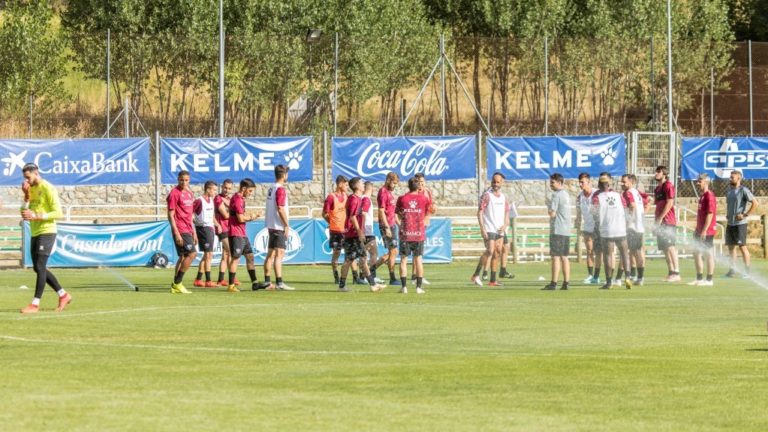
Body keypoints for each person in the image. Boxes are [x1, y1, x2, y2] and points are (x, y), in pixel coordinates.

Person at [19, 163, 71, 313]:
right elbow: (23, 211)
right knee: (37, 267)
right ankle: (63, 295)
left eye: (28, 177)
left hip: (47, 231)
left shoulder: (48, 188)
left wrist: (37, 215)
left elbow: (58, 213)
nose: (26, 181)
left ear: (36, 173)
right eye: (25, 178)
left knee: (40, 266)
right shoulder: (30, 189)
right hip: (35, 232)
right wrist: (26, 196)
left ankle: (35, 304)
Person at [338, 177, 386, 292]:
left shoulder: (357, 198)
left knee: (357, 259)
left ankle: (370, 284)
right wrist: (360, 231)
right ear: (356, 186)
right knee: (356, 260)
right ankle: (371, 284)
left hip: (353, 234)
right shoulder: (354, 199)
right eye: (360, 183)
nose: (363, 184)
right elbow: (352, 217)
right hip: (353, 234)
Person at [471, 173, 509, 287]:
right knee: (490, 251)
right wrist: (482, 229)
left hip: (500, 229)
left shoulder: (503, 197)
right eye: (494, 181)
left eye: (498, 182)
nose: (495, 184)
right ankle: (476, 274)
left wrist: (505, 224)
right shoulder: (486, 195)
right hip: (489, 227)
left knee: (497, 252)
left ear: (502, 182)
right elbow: (480, 212)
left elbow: (507, 212)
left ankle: (493, 280)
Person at [396, 177, 433, 294]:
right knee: (418, 260)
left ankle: (404, 287)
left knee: (403, 260)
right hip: (418, 233)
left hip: (405, 233)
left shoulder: (402, 199)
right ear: (418, 187)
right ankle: (418, 287)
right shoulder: (424, 198)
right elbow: (430, 210)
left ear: (408, 186)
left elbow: (396, 214)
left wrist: (400, 224)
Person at [596, 175, 632, 290]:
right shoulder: (618, 195)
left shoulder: (597, 197)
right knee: (624, 253)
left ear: (600, 185)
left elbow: (594, 213)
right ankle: (628, 277)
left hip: (607, 230)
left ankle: (609, 282)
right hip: (620, 228)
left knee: (608, 255)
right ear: (609, 185)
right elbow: (626, 209)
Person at [261, 165, 294, 290]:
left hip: (271, 225)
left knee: (270, 254)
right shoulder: (280, 189)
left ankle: (267, 282)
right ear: (284, 175)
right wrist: (286, 225)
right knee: (279, 254)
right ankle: (279, 282)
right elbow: (280, 208)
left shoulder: (271, 188)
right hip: (278, 225)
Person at [228, 178, 261, 293]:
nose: (250, 193)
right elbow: (240, 218)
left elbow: (241, 214)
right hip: (235, 233)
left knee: (250, 256)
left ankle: (255, 283)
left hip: (242, 233)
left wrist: (251, 215)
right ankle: (231, 285)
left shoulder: (241, 199)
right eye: (250, 191)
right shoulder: (237, 199)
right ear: (244, 188)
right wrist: (252, 217)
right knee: (236, 259)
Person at [167, 170, 198, 294]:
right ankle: (177, 282)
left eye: (186, 180)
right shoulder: (174, 193)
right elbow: (170, 214)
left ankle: (175, 284)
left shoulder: (189, 193)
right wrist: (177, 232)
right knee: (192, 254)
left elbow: (190, 215)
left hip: (188, 229)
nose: (184, 182)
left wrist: (194, 232)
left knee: (184, 256)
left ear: (189, 180)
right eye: (181, 180)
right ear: (178, 179)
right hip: (180, 229)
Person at [725, 170, 758, 278]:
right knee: (731, 247)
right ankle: (732, 271)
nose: (730, 179)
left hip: (740, 224)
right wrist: (728, 214)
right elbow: (730, 205)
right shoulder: (729, 190)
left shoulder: (744, 190)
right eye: (730, 177)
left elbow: (755, 203)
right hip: (730, 224)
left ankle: (747, 272)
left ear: (738, 178)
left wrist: (745, 215)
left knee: (742, 246)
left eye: (732, 177)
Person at [543, 173, 571, 290]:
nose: (551, 184)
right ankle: (566, 282)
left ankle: (553, 283)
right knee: (564, 257)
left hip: (557, 229)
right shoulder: (566, 194)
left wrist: (548, 205)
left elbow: (552, 213)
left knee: (555, 256)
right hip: (566, 230)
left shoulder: (556, 195)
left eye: (552, 182)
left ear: (559, 183)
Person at [372, 172, 400, 285]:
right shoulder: (383, 192)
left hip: (392, 224)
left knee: (393, 251)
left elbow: (392, 212)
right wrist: (387, 226)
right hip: (387, 225)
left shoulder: (389, 193)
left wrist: (398, 224)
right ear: (388, 180)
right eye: (394, 183)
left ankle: (371, 270)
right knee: (393, 251)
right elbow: (381, 211)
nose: (395, 186)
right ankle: (392, 278)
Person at [689, 174, 717, 286]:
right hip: (699, 230)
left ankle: (709, 280)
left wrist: (704, 230)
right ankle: (699, 278)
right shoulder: (702, 196)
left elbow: (710, 214)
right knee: (696, 252)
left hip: (707, 231)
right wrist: (697, 229)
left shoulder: (709, 196)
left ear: (706, 181)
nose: (697, 183)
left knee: (708, 254)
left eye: (699, 181)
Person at [654, 165, 680, 282]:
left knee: (670, 247)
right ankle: (671, 272)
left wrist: (660, 218)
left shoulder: (668, 185)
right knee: (664, 248)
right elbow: (658, 205)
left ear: (664, 174)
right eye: (656, 172)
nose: (656, 174)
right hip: (660, 221)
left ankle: (677, 272)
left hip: (668, 221)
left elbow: (669, 203)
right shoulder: (657, 189)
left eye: (658, 172)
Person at [575, 172, 601, 284]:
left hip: (598, 227)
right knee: (589, 251)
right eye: (579, 182)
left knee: (598, 252)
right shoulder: (579, 197)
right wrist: (578, 224)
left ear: (589, 182)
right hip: (587, 227)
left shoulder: (597, 194)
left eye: (582, 182)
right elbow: (578, 214)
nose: (581, 184)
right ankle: (590, 275)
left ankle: (597, 276)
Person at [621, 174, 646, 286]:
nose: (622, 184)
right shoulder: (637, 192)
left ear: (630, 182)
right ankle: (636, 276)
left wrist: (629, 220)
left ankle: (638, 277)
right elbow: (647, 201)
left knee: (633, 252)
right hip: (639, 226)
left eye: (624, 182)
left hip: (632, 227)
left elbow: (632, 205)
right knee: (635, 251)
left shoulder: (628, 192)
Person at [193, 180, 219, 288]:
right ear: (208, 189)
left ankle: (198, 279)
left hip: (210, 228)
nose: (215, 192)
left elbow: (212, 215)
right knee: (208, 255)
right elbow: (191, 213)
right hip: (203, 229)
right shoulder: (199, 201)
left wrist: (217, 224)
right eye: (214, 190)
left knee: (208, 255)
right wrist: (195, 224)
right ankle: (208, 281)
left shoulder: (211, 200)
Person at [323, 175, 348, 284]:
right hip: (335, 232)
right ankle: (336, 275)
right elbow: (324, 213)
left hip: (346, 231)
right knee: (336, 254)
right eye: (346, 185)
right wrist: (331, 222)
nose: (347, 187)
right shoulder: (331, 197)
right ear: (340, 184)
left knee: (349, 253)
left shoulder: (346, 196)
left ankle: (355, 276)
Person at [361, 181, 383, 284]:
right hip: (367, 230)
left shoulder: (362, 198)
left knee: (365, 255)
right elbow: (363, 214)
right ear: (372, 188)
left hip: (366, 228)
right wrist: (363, 229)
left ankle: (365, 276)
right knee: (374, 254)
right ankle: (368, 276)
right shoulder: (366, 199)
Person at [413, 173, 434, 285]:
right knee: (417, 251)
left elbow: (431, 206)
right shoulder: (413, 194)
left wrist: (432, 210)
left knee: (418, 251)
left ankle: (416, 276)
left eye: (422, 182)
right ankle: (416, 276)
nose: (421, 184)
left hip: (423, 223)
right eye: (418, 182)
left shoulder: (427, 192)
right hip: (414, 224)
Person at [214, 179, 235, 286]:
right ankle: (232, 276)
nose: (227, 190)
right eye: (225, 188)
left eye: (229, 188)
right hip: (222, 228)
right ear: (222, 187)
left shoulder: (230, 199)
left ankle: (221, 279)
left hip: (230, 229)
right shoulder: (218, 198)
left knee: (226, 254)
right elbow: (225, 215)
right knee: (231, 252)